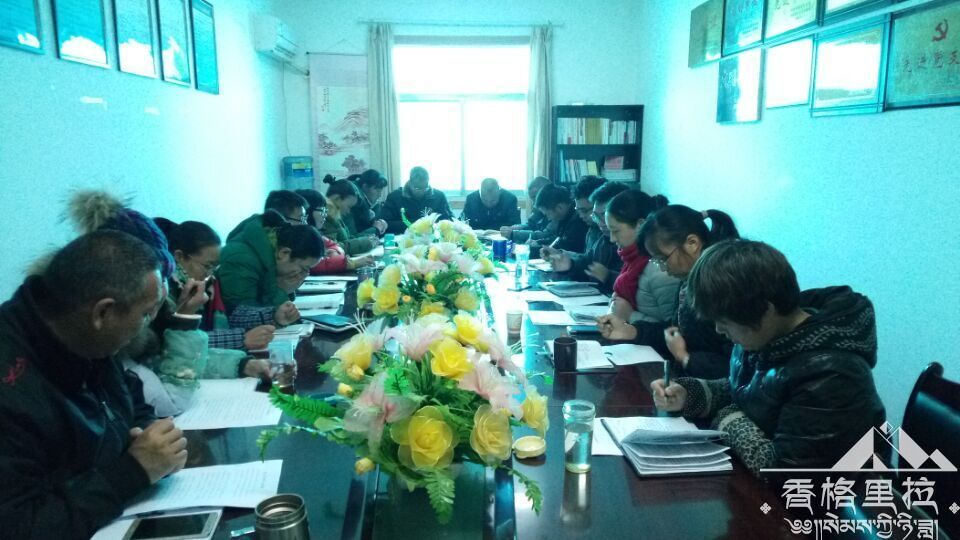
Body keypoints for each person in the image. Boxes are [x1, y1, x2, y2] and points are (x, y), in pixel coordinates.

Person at [0, 231, 188, 537]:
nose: (148, 325)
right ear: (103, 312)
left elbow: (128, 399)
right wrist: (133, 471)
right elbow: (20, 526)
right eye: (145, 314)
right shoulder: (12, 390)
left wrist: (151, 434)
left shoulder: (83, 335)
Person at [651, 240, 886, 473]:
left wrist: (727, 416)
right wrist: (688, 395)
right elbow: (748, 392)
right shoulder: (764, 336)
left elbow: (784, 473)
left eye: (724, 322)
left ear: (765, 310)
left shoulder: (831, 374)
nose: (719, 330)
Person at [597, 204, 739, 379]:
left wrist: (686, 358)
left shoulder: (724, 285)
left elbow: (738, 366)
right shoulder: (688, 279)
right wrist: (631, 331)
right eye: (657, 261)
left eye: (663, 259)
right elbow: (675, 333)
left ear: (692, 243)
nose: (663, 268)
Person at [159, 219, 284, 352]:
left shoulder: (208, 285)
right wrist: (241, 339)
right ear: (179, 256)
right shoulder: (164, 293)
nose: (210, 273)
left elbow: (230, 313)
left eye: (215, 266)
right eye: (207, 266)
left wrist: (273, 315)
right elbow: (173, 344)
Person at [219, 209, 325, 312]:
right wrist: (282, 290)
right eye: (304, 268)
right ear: (284, 253)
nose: (305, 275)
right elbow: (244, 314)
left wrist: (284, 291)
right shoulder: (241, 259)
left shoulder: (271, 253)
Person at [603, 190, 680, 323]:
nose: (612, 238)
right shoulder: (632, 260)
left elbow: (675, 330)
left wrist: (630, 316)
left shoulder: (661, 269)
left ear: (640, 225)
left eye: (615, 231)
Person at [541, 177, 622, 293]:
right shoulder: (601, 236)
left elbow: (636, 286)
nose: (580, 215)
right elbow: (588, 262)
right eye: (595, 216)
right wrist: (569, 264)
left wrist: (608, 276)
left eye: (585, 210)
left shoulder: (631, 242)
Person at [295, 189, 375, 273]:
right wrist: (352, 263)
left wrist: (334, 252)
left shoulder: (316, 235)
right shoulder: (299, 237)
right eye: (322, 210)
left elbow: (335, 246)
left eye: (325, 211)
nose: (325, 215)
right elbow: (318, 264)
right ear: (308, 211)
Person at [380, 166, 454, 233]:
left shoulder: (439, 196)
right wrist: (414, 225)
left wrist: (432, 225)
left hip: (432, 237)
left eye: (425, 188)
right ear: (410, 183)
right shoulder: (395, 197)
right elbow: (385, 223)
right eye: (417, 188)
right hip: (402, 237)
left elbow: (449, 220)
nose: (422, 191)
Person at [319, 175, 379, 255]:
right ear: (337, 198)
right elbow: (332, 249)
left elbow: (346, 239)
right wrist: (365, 243)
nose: (348, 211)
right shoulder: (325, 218)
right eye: (348, 207)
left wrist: (367, 239)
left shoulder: (336, 217)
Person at [532, 183, 588, 252]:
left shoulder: (579, 220)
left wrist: (535, 248)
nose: (548, 218)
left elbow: (568, 247)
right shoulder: (565, 217)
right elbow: (558, 239)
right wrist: (539, 242)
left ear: (559, 207)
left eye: (548, 214)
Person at [501, 176, 553, 245]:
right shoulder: (538, 207)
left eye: (535, 197)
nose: (534, 203)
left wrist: (514, 234)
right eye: (532, 199)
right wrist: (519, 227)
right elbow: (531, 224)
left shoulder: (554, 210)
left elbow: (545, 235)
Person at [347, 169, 389, 236]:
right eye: (377, 190)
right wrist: (375, 229)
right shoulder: (352, 204)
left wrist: (380, 223)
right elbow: (352, 238)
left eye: (381, 191)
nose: (380, 195)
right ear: (365, 186)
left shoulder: (369, 204)